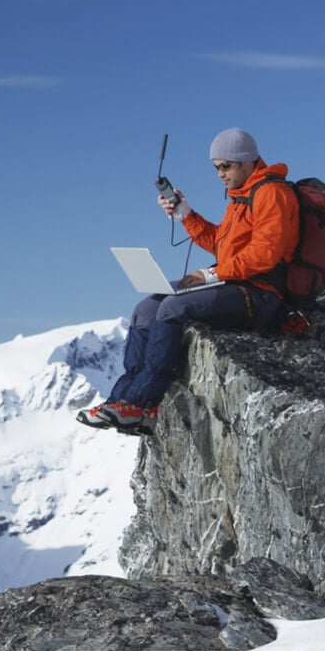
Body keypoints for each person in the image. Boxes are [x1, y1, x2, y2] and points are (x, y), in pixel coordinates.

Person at [77, 127, 299, 435]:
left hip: (261, 295)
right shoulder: (240, 198)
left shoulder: (272, 194)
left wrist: (211, 274)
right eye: (216, 167)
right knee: (146, 308)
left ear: (247, 161)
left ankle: (141, 404)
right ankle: (122, 400)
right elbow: (222, 245)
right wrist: (186, 214)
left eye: (226, 165)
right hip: (236, 285)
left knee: (172, 307)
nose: (220, 173)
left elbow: (265, 255)